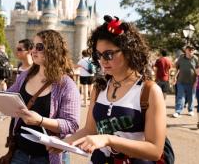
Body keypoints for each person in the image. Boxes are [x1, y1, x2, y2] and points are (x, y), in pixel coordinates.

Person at [51, 16, 166, 163]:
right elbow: (90, 130)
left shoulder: (149, 90)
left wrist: (108, 139)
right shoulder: (99, 88)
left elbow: (155, 150)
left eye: (109, 54)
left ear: (128, 51)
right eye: (99, 55)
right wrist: (63, 144)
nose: (103, 60)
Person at [0, 30, 81, 164]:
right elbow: (8, 98)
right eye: (33, 47)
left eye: (39, 47)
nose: (33, 51)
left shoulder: (66, 85)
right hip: (19, 153)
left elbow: (71, 125)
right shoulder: (25, 76)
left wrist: (40, 120)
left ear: (53, 50)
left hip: (48, 157)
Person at [173, 45, 199, 118]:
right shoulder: (181, 58)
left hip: (192, 82)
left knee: (191, 97)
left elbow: (198, 71)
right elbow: (177, 68)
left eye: (192, 50)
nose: (191, 51)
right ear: (186, 50)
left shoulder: (196, 59)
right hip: (181, 81)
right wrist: (175, 77)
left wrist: (196, 81)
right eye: (189, 49)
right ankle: (178, 111)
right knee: (180, 96)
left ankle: (190, 110)